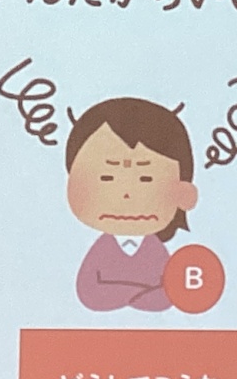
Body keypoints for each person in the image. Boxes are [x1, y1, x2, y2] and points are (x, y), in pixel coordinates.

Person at [64, 97, 198, 312]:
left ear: (183, 191)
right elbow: (89, 293)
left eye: (146, 179)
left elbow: (166, 295)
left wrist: (121, 293)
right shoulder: (103, 249)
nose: (127, 194)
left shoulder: (154, 249)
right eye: (107, 178)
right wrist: (140, 294)